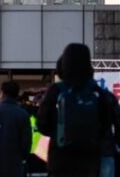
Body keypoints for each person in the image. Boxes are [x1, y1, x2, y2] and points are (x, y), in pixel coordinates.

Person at [37, 43, 116, 177]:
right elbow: (105, 126)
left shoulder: (56, 90)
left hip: (60, 159)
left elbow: (43, 125)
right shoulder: (98, 92)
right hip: (89, 160)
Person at [0, 81, 31, 177]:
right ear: (17, 95)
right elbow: (26, 143)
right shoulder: (23, 114)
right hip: (15, 165)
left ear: (3, 93)